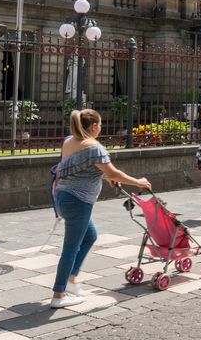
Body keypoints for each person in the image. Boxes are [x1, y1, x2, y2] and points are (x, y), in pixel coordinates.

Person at [51, 109, 151, 309]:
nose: (101, 128)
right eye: (100, 125)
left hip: (62, 196)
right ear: (94, 126)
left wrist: (109, 178)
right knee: (70, 247)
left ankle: (71, 281)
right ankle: (58, 295)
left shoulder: (69, 141)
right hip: (78, 201)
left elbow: (86, 168)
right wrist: (138, 182)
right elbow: (113, 171)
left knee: (90, 236)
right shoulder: (94, 148)